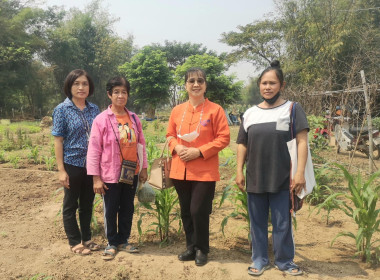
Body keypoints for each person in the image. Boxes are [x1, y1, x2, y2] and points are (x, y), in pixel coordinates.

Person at [236, 60, 309, 276]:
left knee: (282, 223)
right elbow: (242, 144)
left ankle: (285, 261)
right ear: (259, 85)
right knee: (257, 223)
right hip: (255, 177)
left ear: (282, 85)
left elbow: (302, 141)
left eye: (272, 83)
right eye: (264, 83)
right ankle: (259, 259)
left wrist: (299, 173)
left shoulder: (292, 109)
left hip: (282, 178)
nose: (267, 87)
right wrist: (239, 170)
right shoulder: (250, 113)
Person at [166, 67, 230, 266]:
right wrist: (176, 146)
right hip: (180, 169)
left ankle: (202, 248)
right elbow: (169, 135)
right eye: (191, 81)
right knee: (185, 210)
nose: (196, 84)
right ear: (185, 85)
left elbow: (224, 138)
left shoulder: (215, 110)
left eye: (200, 81)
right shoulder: (177, 111)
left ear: (205, 85)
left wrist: (199, 151)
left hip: (204, 170)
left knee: (198, 210)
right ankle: (190, 247)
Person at [87, 76, 148, 261]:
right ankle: (112, 243)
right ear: (109, 94)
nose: (120, 96)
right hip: (110, 173)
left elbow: (141, 144)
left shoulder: (134, 118)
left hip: (131, 172)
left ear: (128, 95)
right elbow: (94, 149)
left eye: (124, 92)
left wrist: (143, 167)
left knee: (128, 207)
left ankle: (124, 240)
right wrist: (96, 178)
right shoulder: (101, 120)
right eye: (116, 92)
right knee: (111, 208)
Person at [52, 69, 101, 255]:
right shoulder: (62, 110)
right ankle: (74, 241)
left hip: (91, 164)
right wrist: (61, 170)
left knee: (87, 203)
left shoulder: (94, 109)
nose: (81, 87)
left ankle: (87, 238)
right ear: (69, 86)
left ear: (90, 87)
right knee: (70, 204)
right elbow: (58, 140)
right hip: (72, 163)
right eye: (77, 83)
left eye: (85, 84)